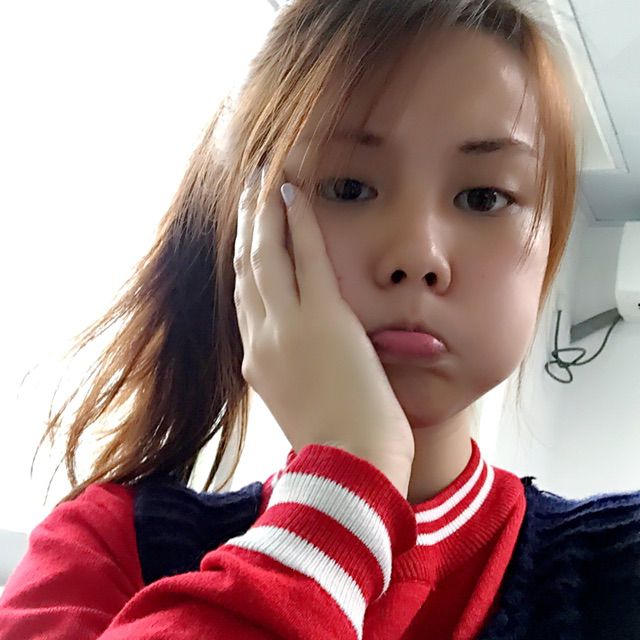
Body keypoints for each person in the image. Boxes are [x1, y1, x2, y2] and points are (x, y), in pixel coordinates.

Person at [1, 0, 639, 638]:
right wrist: (343, 492)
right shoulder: (106, 545)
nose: (419, 256)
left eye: (484, 197)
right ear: (250, 229)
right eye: (348, 188)